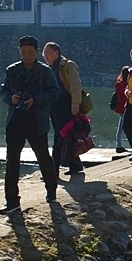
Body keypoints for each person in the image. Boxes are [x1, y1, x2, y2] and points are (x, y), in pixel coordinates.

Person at [0, 36, 59, 215]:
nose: (26, 56)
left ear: (37, 52)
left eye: (30, 52)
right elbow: (3, 91)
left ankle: (51, 190)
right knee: (12, 162)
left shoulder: (45, 71)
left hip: (36, 121)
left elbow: (54, 93)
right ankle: (12, 200)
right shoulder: (12, 70)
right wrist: (11, 99)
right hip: (16, 120)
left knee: (43, 157)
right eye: (23, 52)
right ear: (19, 52)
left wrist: (36, 100)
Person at [42, 42, 85, 176]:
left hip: (66, 104)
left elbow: (76, 86)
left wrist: (75, 104)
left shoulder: (68, 65)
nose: (45, 56)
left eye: (48, 53)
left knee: (59, 137)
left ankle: (53, 171)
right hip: (54, 105)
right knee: (67, 136)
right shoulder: (48, 68)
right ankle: (75, 165)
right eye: (44, 53)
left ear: (57, 52)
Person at [112, 65, 130, 153]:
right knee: (131, 127)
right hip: (125, 107)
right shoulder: (127, 85)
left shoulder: (118, 84)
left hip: (119, 108)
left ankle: (118, 146)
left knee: (120, 127)